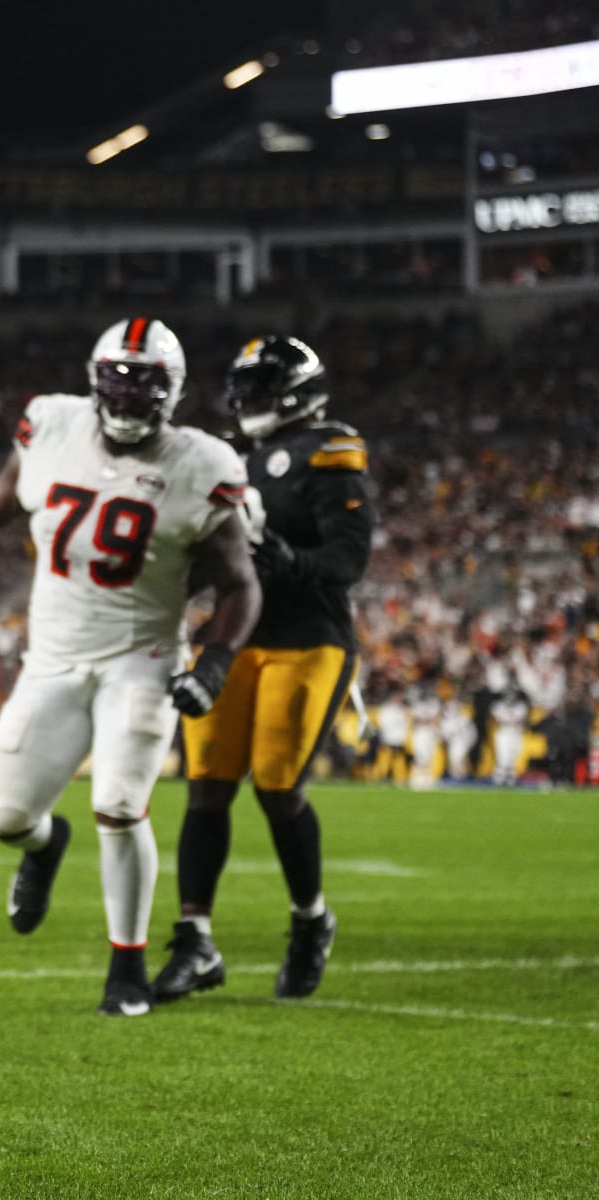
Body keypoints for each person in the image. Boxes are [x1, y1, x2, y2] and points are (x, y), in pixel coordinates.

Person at [0, 317, 260, 1017]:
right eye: (116, 379)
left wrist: (213, 664)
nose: (127, 395)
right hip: (54, 660)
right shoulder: (51, 425)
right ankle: (44, 845)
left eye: (144, 382)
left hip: (143, 657)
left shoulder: (203, 463)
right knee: (6, 816)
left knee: (122, 805)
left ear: (173, 391)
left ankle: (126, 966)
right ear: (94, 380)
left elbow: (241, 582)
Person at [156, 335, 376, 1003]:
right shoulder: (236, 456)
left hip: (309, 637)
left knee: (278, 785)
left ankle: (310, 922)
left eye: (258, 388)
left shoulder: (328, 450)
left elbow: (348, 562)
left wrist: (286, 559)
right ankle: (194, 938)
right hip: (234, 639)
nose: (244, 401)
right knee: (207, 784)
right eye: (243, 387)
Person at [490, 682, 531, 785]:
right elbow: (495, 720)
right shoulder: (498, 706)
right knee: (502, 757)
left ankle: (510, 779)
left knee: (513, 757)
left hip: (516, 733)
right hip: (504, 732)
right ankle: (499, 779)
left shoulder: (521, 706)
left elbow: (523, 721)